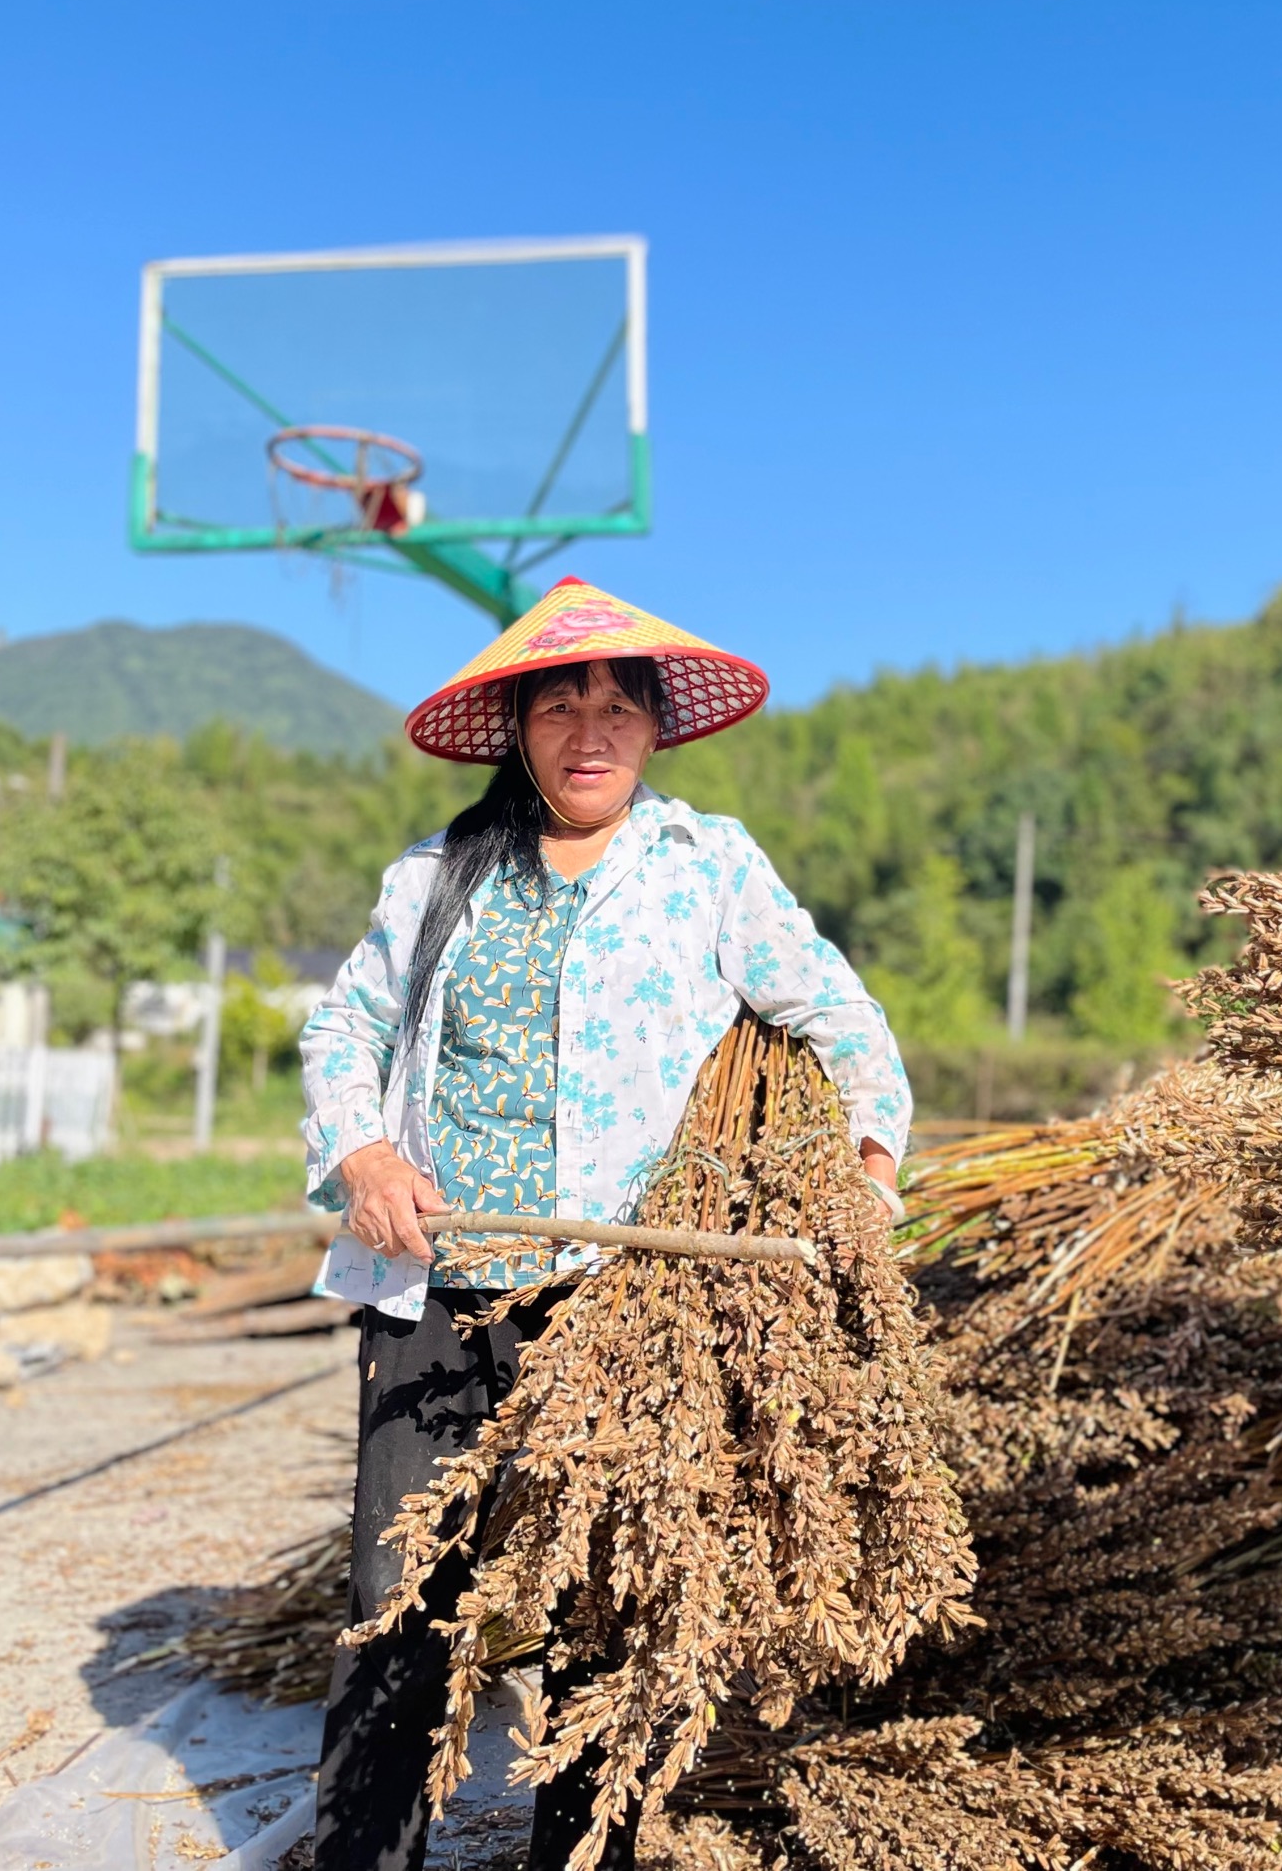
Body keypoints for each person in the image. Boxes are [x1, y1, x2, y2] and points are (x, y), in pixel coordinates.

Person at [297, 578, 912, 1871]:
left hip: (628, 1308)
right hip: (438, 1285)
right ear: (516, 727)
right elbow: (344, 1028)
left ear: (654, 728)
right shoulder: (438, 876)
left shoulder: (708, 867)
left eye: (618, 707)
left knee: (611, 1606)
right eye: (560, 706)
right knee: (400, 1603)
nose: (590, 732)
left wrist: (864, 1175)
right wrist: (363, 1152)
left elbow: (842, 1021)